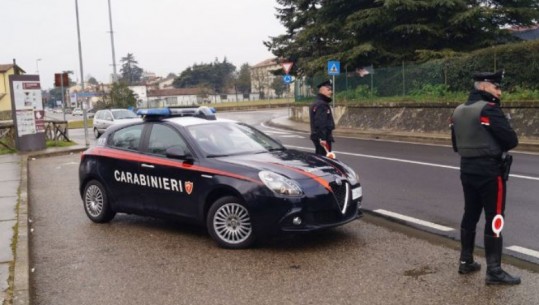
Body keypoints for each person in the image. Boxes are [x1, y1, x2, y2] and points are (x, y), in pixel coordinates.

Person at [450, 70, 520, 285]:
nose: (500, 91)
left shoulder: (458, 111)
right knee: (495, 217)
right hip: (490, 172)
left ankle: (466, 261)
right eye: (496, 87)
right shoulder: (489, 110)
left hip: (467, 169)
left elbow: (455, 145)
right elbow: (510, 140)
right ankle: (494, 271)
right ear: (483, 86)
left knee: (470, 213)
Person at [309, 79, 335, 156]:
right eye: (329, 90)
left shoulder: (317, 102)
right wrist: (322, 139)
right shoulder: (322, 105)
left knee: (320, 157)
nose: (331, 92)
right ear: (323, 90)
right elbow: (321, 123)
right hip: (323, 138)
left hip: (318, 137)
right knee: (324, 159)